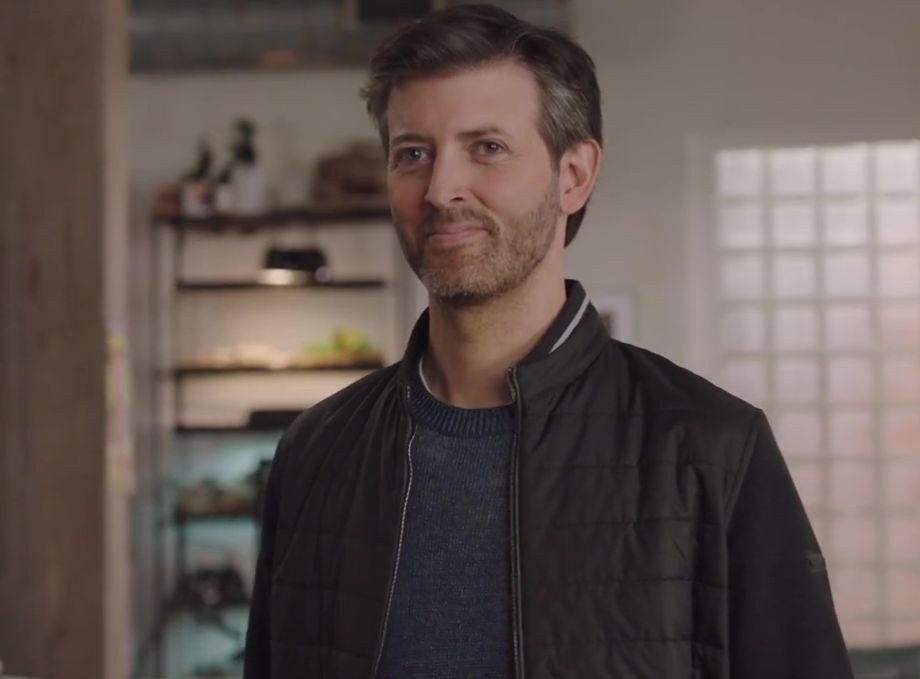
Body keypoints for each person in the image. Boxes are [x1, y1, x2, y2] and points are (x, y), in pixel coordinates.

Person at [244, 4, 854, 678]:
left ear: (574, 176)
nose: (442, 189)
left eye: (487, 148)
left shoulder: (712, 449)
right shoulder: (316, 451)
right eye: (412, 154)